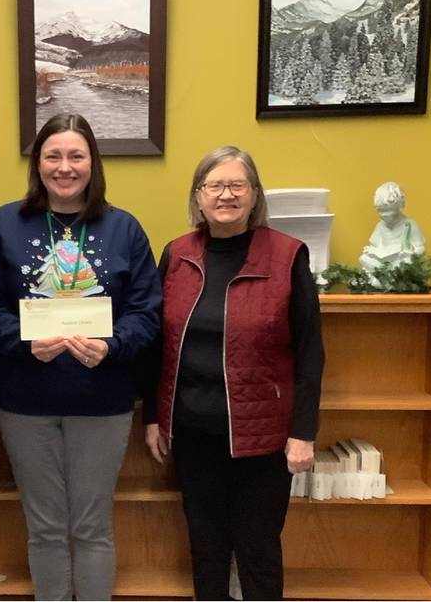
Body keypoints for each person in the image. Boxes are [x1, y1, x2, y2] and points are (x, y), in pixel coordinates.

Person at [0, 113, 161, 601]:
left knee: (92, 526)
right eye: (53, 156)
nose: (65, 167)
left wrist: (112, 346)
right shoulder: (3, 225)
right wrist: (23, 341)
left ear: (93, 163)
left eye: (76, 156)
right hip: (27, 404)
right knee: (46, 528)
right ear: (38, 164)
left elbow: (147, 312)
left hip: (103, 402)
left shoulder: (124, 229)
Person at [143, 145, 324, 600]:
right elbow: (157, 345)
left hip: (262, 439)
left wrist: (303, 432)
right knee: (206, 550)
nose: (226, 195)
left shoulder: (287, 256)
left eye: (237, 185)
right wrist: (153, 416)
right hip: (192, 434)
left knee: (258, 551)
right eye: (215, 185)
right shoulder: (177, 255)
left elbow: (310, 351)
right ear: (199, 197)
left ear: (254, 194)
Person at [359, 181, 425, 279]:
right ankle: (382, 276)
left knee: (407, 262)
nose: (384, 215)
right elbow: (375, 244)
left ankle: (387, 277)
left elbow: (420, 248)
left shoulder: (409, 224)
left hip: (399, 260)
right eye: (380, 211)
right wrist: (370, 250)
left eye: (389, 211)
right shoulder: (381, 225)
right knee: (363, 258)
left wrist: (411, 252)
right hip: (382, 260)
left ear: (400, 206)